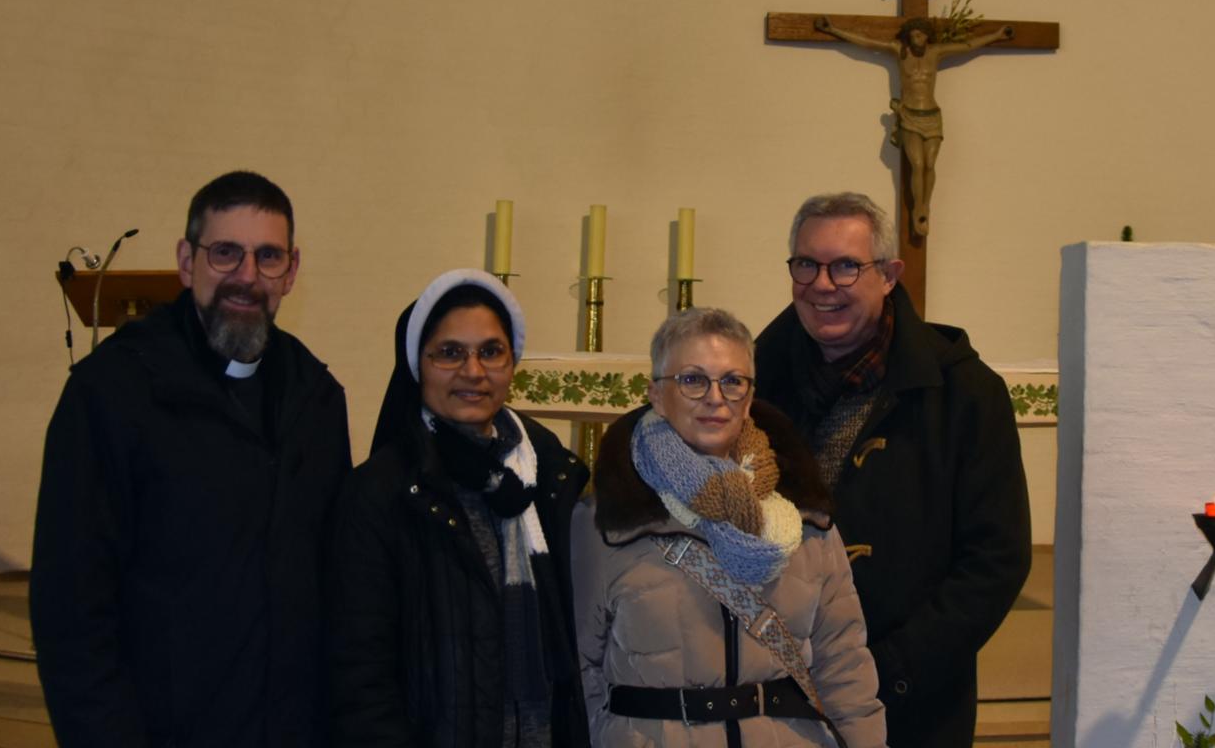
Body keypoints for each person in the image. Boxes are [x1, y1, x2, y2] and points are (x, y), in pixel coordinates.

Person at [31, 170, 352, 746]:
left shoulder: (318, 398)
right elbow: (71, 608)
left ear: (292, 270)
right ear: (187, 261)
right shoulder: (111, 393)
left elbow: (332, 583)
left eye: (268, 256)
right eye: (225, 253)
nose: (247, 277)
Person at [754, 192, 1030, 747]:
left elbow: (995, 561)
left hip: (911, 701)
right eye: (806, 264)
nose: (822, 285)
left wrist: (886, 671)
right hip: (770, 692)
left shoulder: (965, 394)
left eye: (846, 266)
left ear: (889, 276)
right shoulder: (752, 382)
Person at [572, 307, 885, 746]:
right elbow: (579, 667)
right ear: (657, 395)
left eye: (733, 381)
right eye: (692, 380)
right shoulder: (607, 520)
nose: (715, 398)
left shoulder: (804, 515)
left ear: (750, 396)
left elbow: (844, 662)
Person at [328, 269, 592, 747]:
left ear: (513, 364)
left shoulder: (549, 476)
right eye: (450, 353)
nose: (473, 371)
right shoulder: (382, 492)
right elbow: (360, 672)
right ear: (418, 365)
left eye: (491, 351)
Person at [811, 16, 1013, 235]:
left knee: (930, 165)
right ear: (908, 35)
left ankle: (926, 206)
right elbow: (867, 42)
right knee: (917, 165)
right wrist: (834, 29)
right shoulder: (899, 51)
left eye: (923, 34)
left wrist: (996, 36)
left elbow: (967, 46)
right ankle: (919, 208)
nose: (919, 38)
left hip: (932, 115)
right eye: (915, 34)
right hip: (909, 116)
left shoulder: (935, 53)